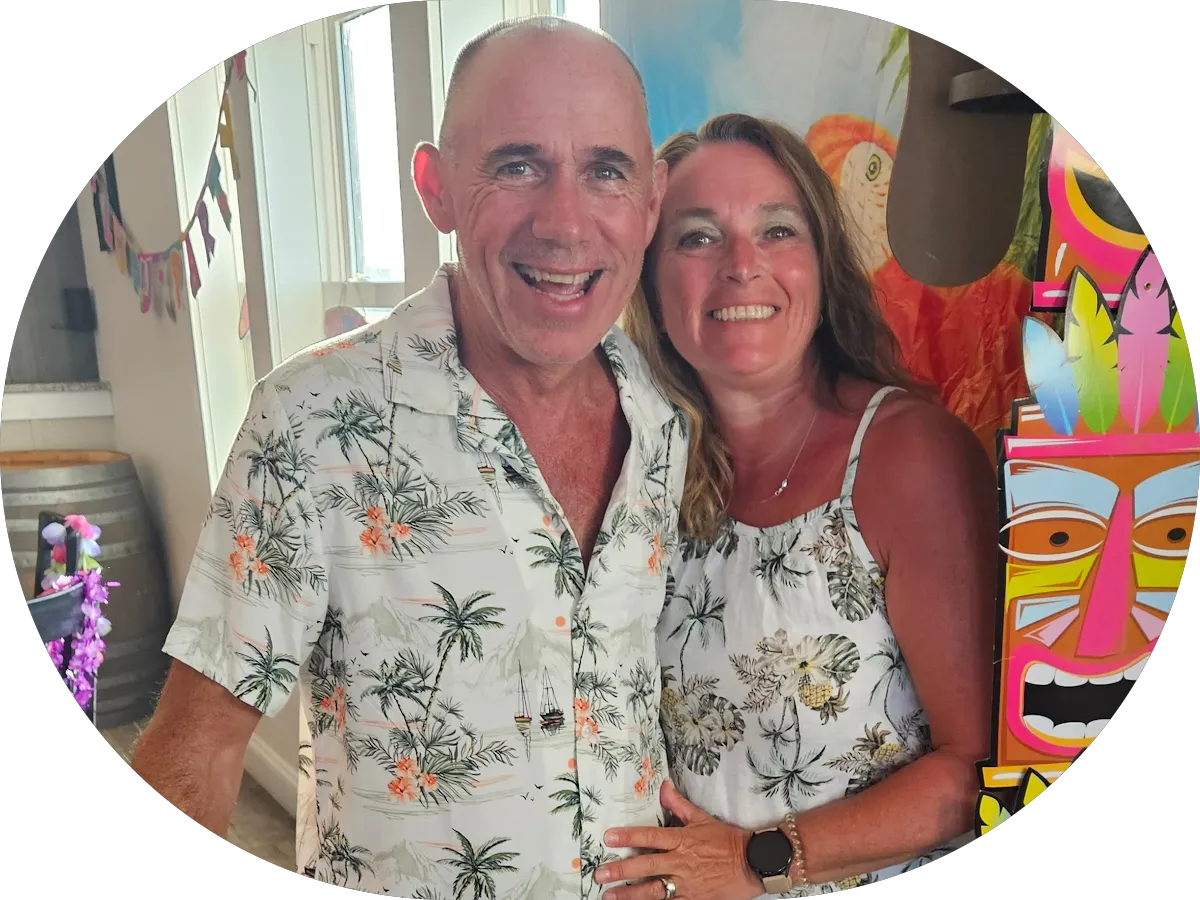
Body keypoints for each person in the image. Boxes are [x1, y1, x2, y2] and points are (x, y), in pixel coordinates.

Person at [129, 17, 689, 898]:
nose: (564, 222)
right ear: (436, 188)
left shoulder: (667, 417)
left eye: (605, 171)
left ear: (651, 201)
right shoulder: (310, 422)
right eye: (517, 165)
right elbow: (197, 751)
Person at [596, 114, 997, 899]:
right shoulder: (643, 468)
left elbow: (979, 768)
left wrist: (756, 861)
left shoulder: (910, 455)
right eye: (698, 237)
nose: (742, 265)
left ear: (822, 265)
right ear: (650, 284)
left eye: (777, 230)